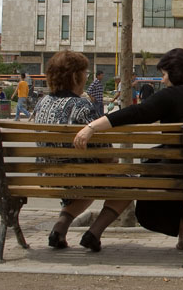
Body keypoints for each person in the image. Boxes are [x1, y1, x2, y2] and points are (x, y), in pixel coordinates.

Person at [74, 48, 183, 252]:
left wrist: (92, 126)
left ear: (174, 73)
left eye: (164, 75)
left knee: (164, 180)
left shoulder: (171, 95)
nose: (163, 80)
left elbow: (136, 112)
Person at [36, 50, 131, 252]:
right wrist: (113, 162)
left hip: (49, 175)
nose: (86, 78)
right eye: (85, 73)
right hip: (81, 176)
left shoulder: (41, 104)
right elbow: (103, 153)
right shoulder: (82, 106)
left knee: (87, 183)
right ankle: (94, 233)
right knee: (129, 182)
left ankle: (60, 228)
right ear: (74, 76)